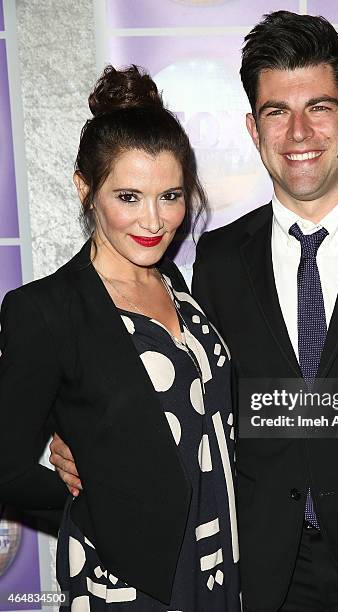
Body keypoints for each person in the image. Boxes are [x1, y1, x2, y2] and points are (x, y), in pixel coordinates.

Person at [50, 11, 338, 612]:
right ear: (254, 130)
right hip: (260, 574)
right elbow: (190, 394)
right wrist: (75, 436)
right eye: (277, 112)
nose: (299, 132)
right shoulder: (219, 259)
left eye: (320, 107)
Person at [0, 65, 240, 611]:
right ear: (86, 189)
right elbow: (5, 467)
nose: (154, 221)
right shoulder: (46, 310)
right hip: (130, 584)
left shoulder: (177, 285)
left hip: (217, 567)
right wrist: (97, 497)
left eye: (171, 195)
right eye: (129, 197)